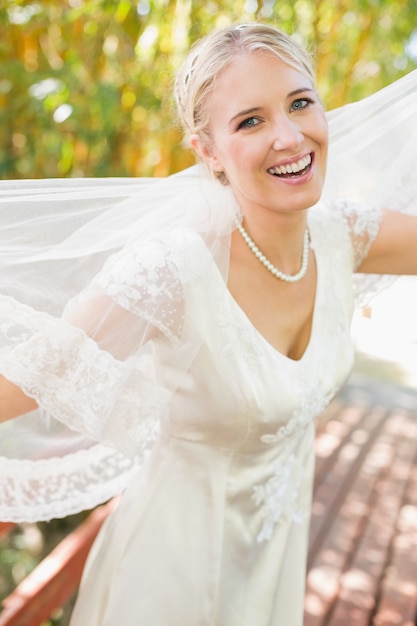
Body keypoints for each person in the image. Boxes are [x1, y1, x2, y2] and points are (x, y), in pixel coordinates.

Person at [1, 22, 417, 626]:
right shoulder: (171, 269)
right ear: (208, 151)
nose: (289, 136)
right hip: (173, 574)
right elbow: (25, 381)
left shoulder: (342, 234)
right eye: (250, 121)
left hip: (273, 556)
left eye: (300, 103)